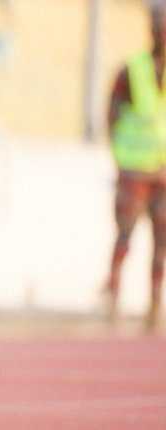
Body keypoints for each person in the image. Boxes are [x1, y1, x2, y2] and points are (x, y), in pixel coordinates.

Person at [107, 3, 166, 330]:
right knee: (125, 236)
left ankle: (154, 308)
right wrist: (120, 160)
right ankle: (113, 300)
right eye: (159, 25)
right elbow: (112, 116)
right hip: (134, 171)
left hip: (163, 173)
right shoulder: (133, 70)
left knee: (161, 243)